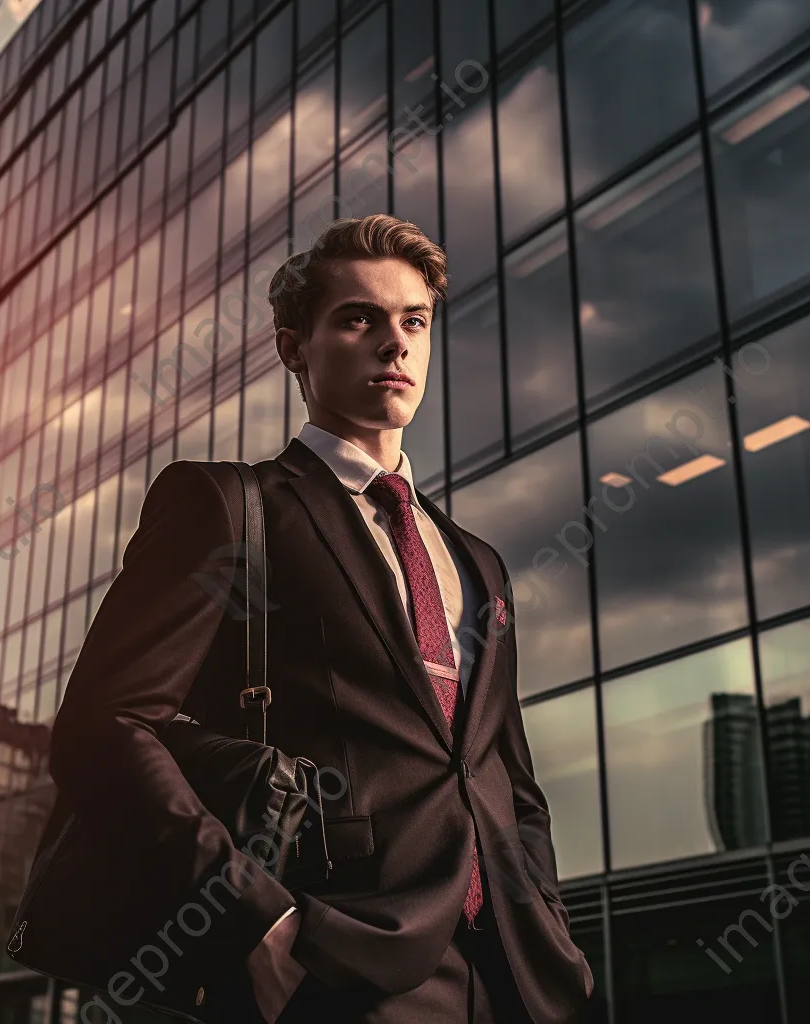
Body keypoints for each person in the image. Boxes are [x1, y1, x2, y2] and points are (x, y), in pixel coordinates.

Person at [48, 214, 593, 1024]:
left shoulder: (476, 560)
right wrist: (256, 922)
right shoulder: (231, 509)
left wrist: (545, 917)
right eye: (358, 318)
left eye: (414, 321)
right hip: (336, 962)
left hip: (511, 970)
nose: (394, 343)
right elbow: (106, 724)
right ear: (293, 347)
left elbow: (509, 775)